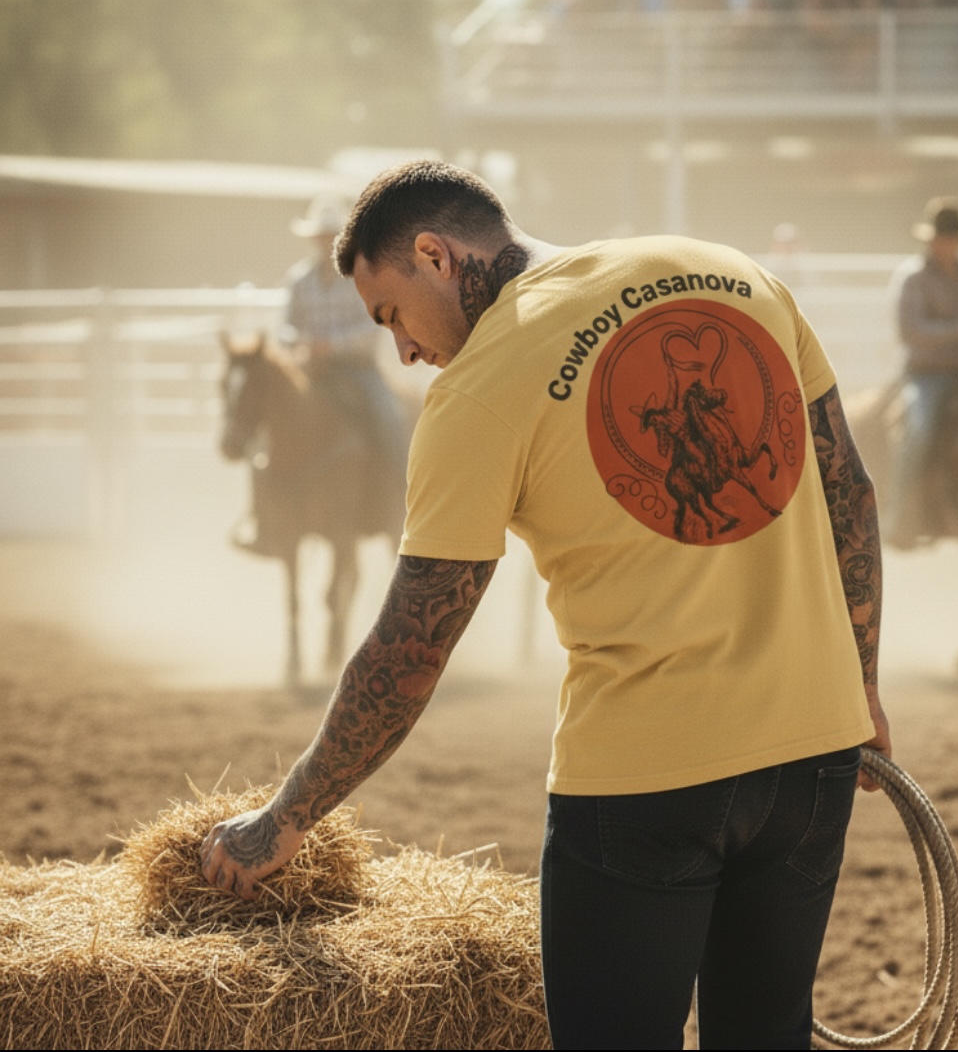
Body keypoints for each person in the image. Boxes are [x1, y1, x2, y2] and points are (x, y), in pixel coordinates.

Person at [201, 160, 890, 1050]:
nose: (404, 351)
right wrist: (861, 689)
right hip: (815, 754)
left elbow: (411, 648)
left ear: (433, 255)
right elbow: (852, 494)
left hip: (646, 781)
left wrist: (285, 817)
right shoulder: (731, 272)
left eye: (393, 316)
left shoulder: (476, 391)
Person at [884, 198, 958, 550]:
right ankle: (899, 514)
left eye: (953, 239)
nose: (948, 245)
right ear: (932, 240)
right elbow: (911, 332)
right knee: (919, 430)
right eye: (943, 238)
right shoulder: (913, 278)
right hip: (927, 375)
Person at [281, 193, 409, 475]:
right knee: (275, 415)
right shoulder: (299, 280)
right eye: (322, 236)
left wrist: (330, 346)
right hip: (310, 368)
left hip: (357, 368)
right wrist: (301, 342)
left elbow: (373, 326)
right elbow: (286, 329)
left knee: (388, 415)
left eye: (332, 236)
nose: (327, 242)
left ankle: (396, 482)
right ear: (314, 240)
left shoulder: (359, 279)